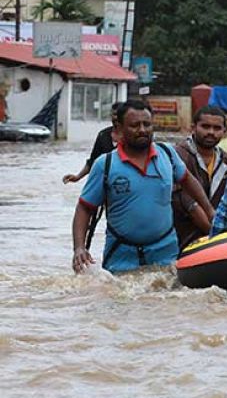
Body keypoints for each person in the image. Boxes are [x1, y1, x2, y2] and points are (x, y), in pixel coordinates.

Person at [71, 101, 215, 274]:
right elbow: (84, 208)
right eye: (134, 125)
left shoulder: (168, 155)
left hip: (165, 252)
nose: (142, 130)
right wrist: (79, 247)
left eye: (147, 124)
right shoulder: (105, 164)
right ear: (119, 128)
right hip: (121, 255)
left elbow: (188, 181)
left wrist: (210, 211)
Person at [172, 105, 227, 249]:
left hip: (219, 240)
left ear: (224, 131)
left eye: (217, 128)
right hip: (182, 239)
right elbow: (185, 200)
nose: (211, 132)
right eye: (205, 126)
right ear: (193, 127)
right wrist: (215, 235)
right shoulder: (177, 156)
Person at [63, 102, 121, 184]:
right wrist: (77, 177)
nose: (117, 118)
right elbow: (93, 161)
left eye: (120, 115)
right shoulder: (103, 135)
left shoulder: (130, 137)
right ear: (111, 115)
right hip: (104, 182)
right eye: (115, 114)